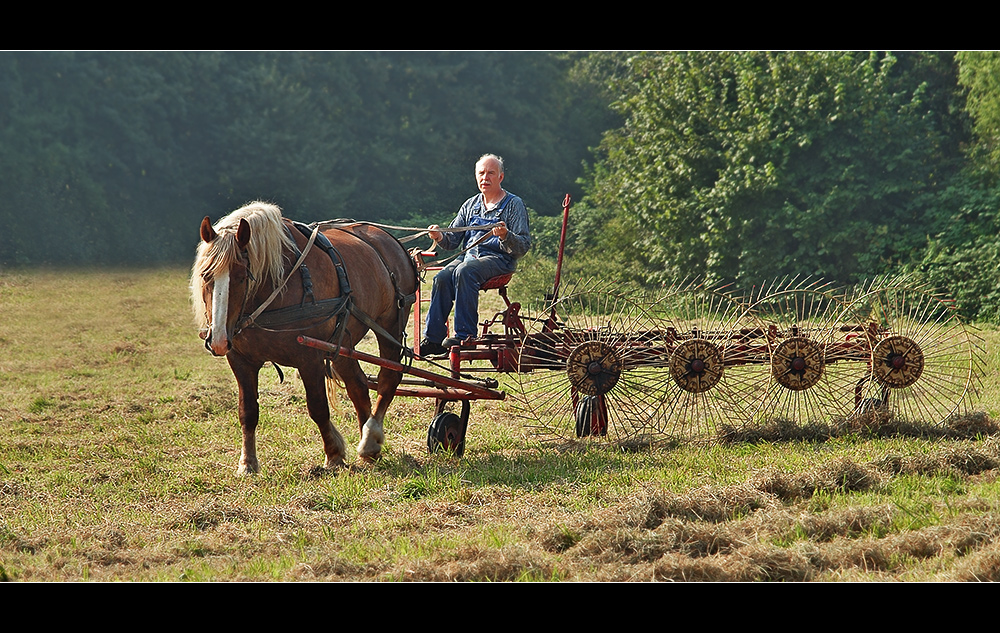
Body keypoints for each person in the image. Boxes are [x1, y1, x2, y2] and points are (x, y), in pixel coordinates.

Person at [417, 153, 531, 356]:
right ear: (476, 176)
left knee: (464, 270)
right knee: (442, 277)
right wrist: (438, 235)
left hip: (500, 260)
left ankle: (465, 336)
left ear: (500, 177)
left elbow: (522, 247)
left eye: (490, 173)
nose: (485, 178)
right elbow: (452, 242)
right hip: (469, 259)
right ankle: (433, 340)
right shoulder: (470, 205)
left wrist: (506, 235)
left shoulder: (514, 204)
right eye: (481, 173)